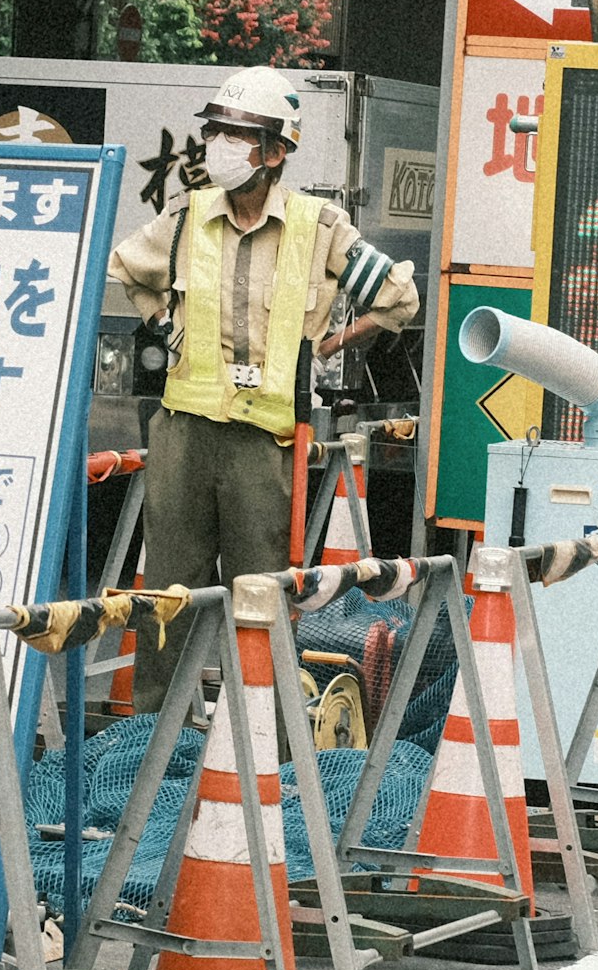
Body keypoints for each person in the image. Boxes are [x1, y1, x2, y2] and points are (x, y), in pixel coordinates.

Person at [108, 68, 420, 631]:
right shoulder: (185, 216)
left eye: (237, 134)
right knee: (168, 599)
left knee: (261, 602)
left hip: (266, 441)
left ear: (275, 151)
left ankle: (256, 718)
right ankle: (159, 720)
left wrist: (329, 344)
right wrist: (162, 322)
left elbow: (400, 298)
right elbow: (127, 268)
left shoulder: (320, 225)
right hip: (183, 433)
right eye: (215, 131)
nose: (219, 145)